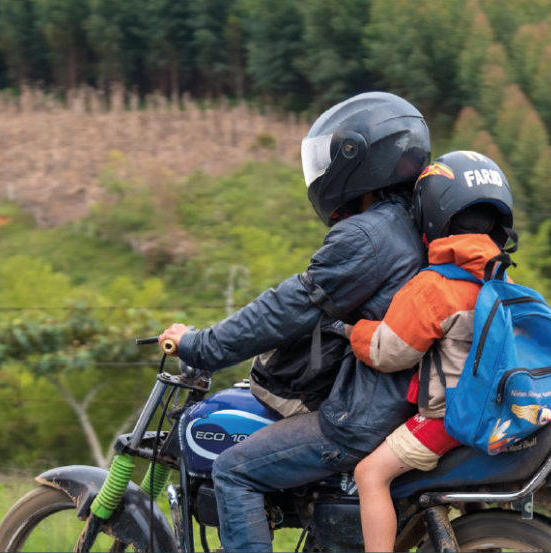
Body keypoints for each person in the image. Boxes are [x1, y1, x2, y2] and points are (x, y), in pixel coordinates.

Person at [158, 91, 430, 552]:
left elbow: (287, 308)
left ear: (359, 160)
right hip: (407, 401)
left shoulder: (365, 236)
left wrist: (199, 345)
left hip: (365, 416)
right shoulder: (413, 221)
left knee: (234, 470)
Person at [345, 150, 517, 552]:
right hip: (498, 415)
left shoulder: (434, 286)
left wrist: (353, 330)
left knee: (369, 474)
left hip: (449, 421)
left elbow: (389, 351)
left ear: (432, 216)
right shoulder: (500, 277)